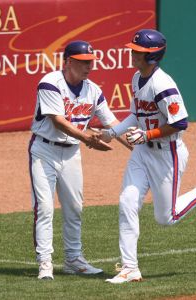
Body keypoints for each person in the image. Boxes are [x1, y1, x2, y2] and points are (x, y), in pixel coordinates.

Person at [100, 29, 196, 284]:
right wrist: (112, 132)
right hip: (142, 154)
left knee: (166, 218)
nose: (132, 54)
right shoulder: (137, 78)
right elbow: (136, 115)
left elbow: (181, 123)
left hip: (167, 154)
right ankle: (130, 268)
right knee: (127, 203)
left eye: (138, 52)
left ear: (152, 56)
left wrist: (148, 135)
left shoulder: (163, 85)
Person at [28, 40, 119, 280]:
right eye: (82, 62)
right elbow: (58, 121)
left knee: (74, 208)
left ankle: (73, 260)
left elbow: (113, 124)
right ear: (68, 62)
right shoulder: (50, 83)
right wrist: (88, 138)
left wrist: (138, 146)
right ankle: (45, 262)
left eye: (90, 62)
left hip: (71, 153)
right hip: (43, 151)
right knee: (45, 207)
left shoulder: (93, 90)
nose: (88, 67)